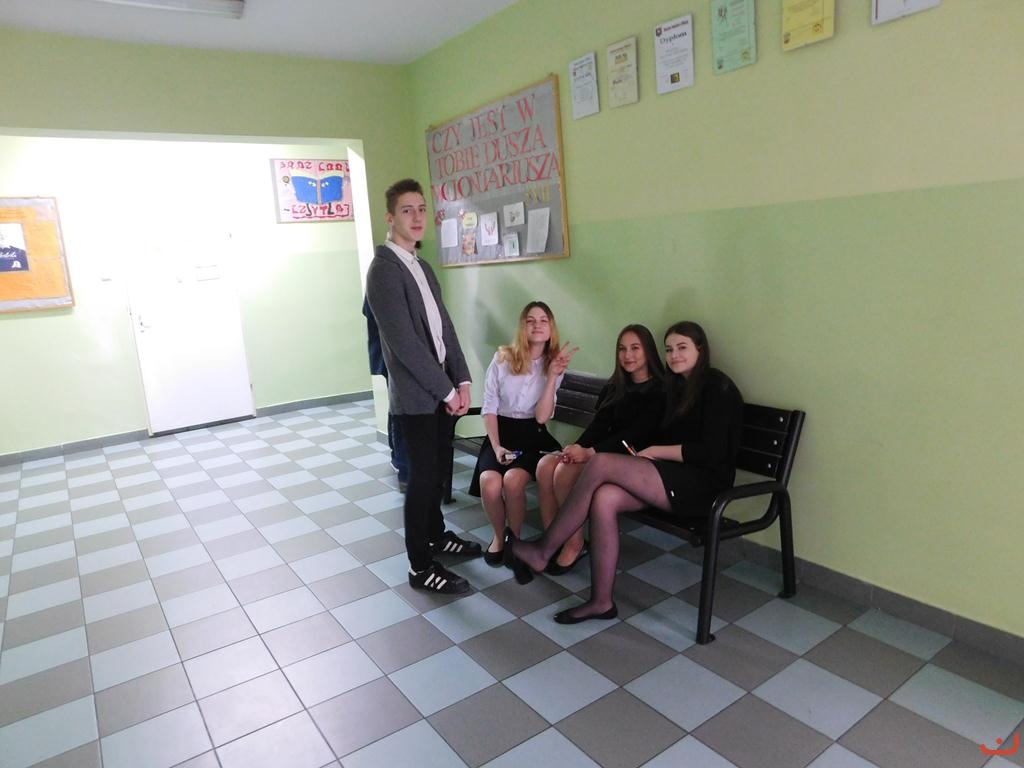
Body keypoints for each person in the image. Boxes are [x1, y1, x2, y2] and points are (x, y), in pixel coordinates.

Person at [507, 321, 743, 623]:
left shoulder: (717, 386)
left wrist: (655, 452)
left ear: (701, 349)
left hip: (704, 486)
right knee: (605, 497)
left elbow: (711, 452)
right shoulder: (676, 387)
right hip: (671, 476)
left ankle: (543, 550)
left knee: (600, 463)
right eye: (670, 349)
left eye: (682, 347)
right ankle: (601, 602)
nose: (674, 355)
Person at [365, 178, 481, 595]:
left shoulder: (422, 266)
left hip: (441, 390)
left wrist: (462, 379)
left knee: (435, 474)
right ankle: (420, 566)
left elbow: (444, 328)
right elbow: (405, 346)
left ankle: (437, 536)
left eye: (421, 209)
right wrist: (447, 392)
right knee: (421, 480)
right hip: (416, 399)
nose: (416, 218)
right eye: (407, 210)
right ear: (390, 217)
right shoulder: (383, 271)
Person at [536, 324, 666, 575]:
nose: (628, 355)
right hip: (599, 452)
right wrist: (577, 447)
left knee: (564, 472)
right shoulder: (616, 386)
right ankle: (554, 539)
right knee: (546, 466)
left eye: (635, 348)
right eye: (622, 349)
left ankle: (574, 544)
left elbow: (635, 436)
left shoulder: (660, 391)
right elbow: (599, 425)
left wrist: (588, 453)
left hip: (630, 460)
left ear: (649, 351)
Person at [470, 301, 577, 578]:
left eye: (543, 320)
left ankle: (514, 540)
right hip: (500, 432)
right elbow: (489, 407)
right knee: (489, 482)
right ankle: (499, 536)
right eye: (531, 320)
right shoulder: (503, 358)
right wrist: (496, 446)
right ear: (523, 326)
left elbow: (541, 417)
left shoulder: (554, 365)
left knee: (513, 480)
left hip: (532, 434)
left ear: (551, 328)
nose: (537, 325)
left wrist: (552, 377)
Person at [362, 295, 408, 491]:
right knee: (401, 412)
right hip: (394, 358)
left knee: (398, 409)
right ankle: (403, 466)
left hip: (396, 358)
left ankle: (399, 459)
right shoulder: (382, 281)